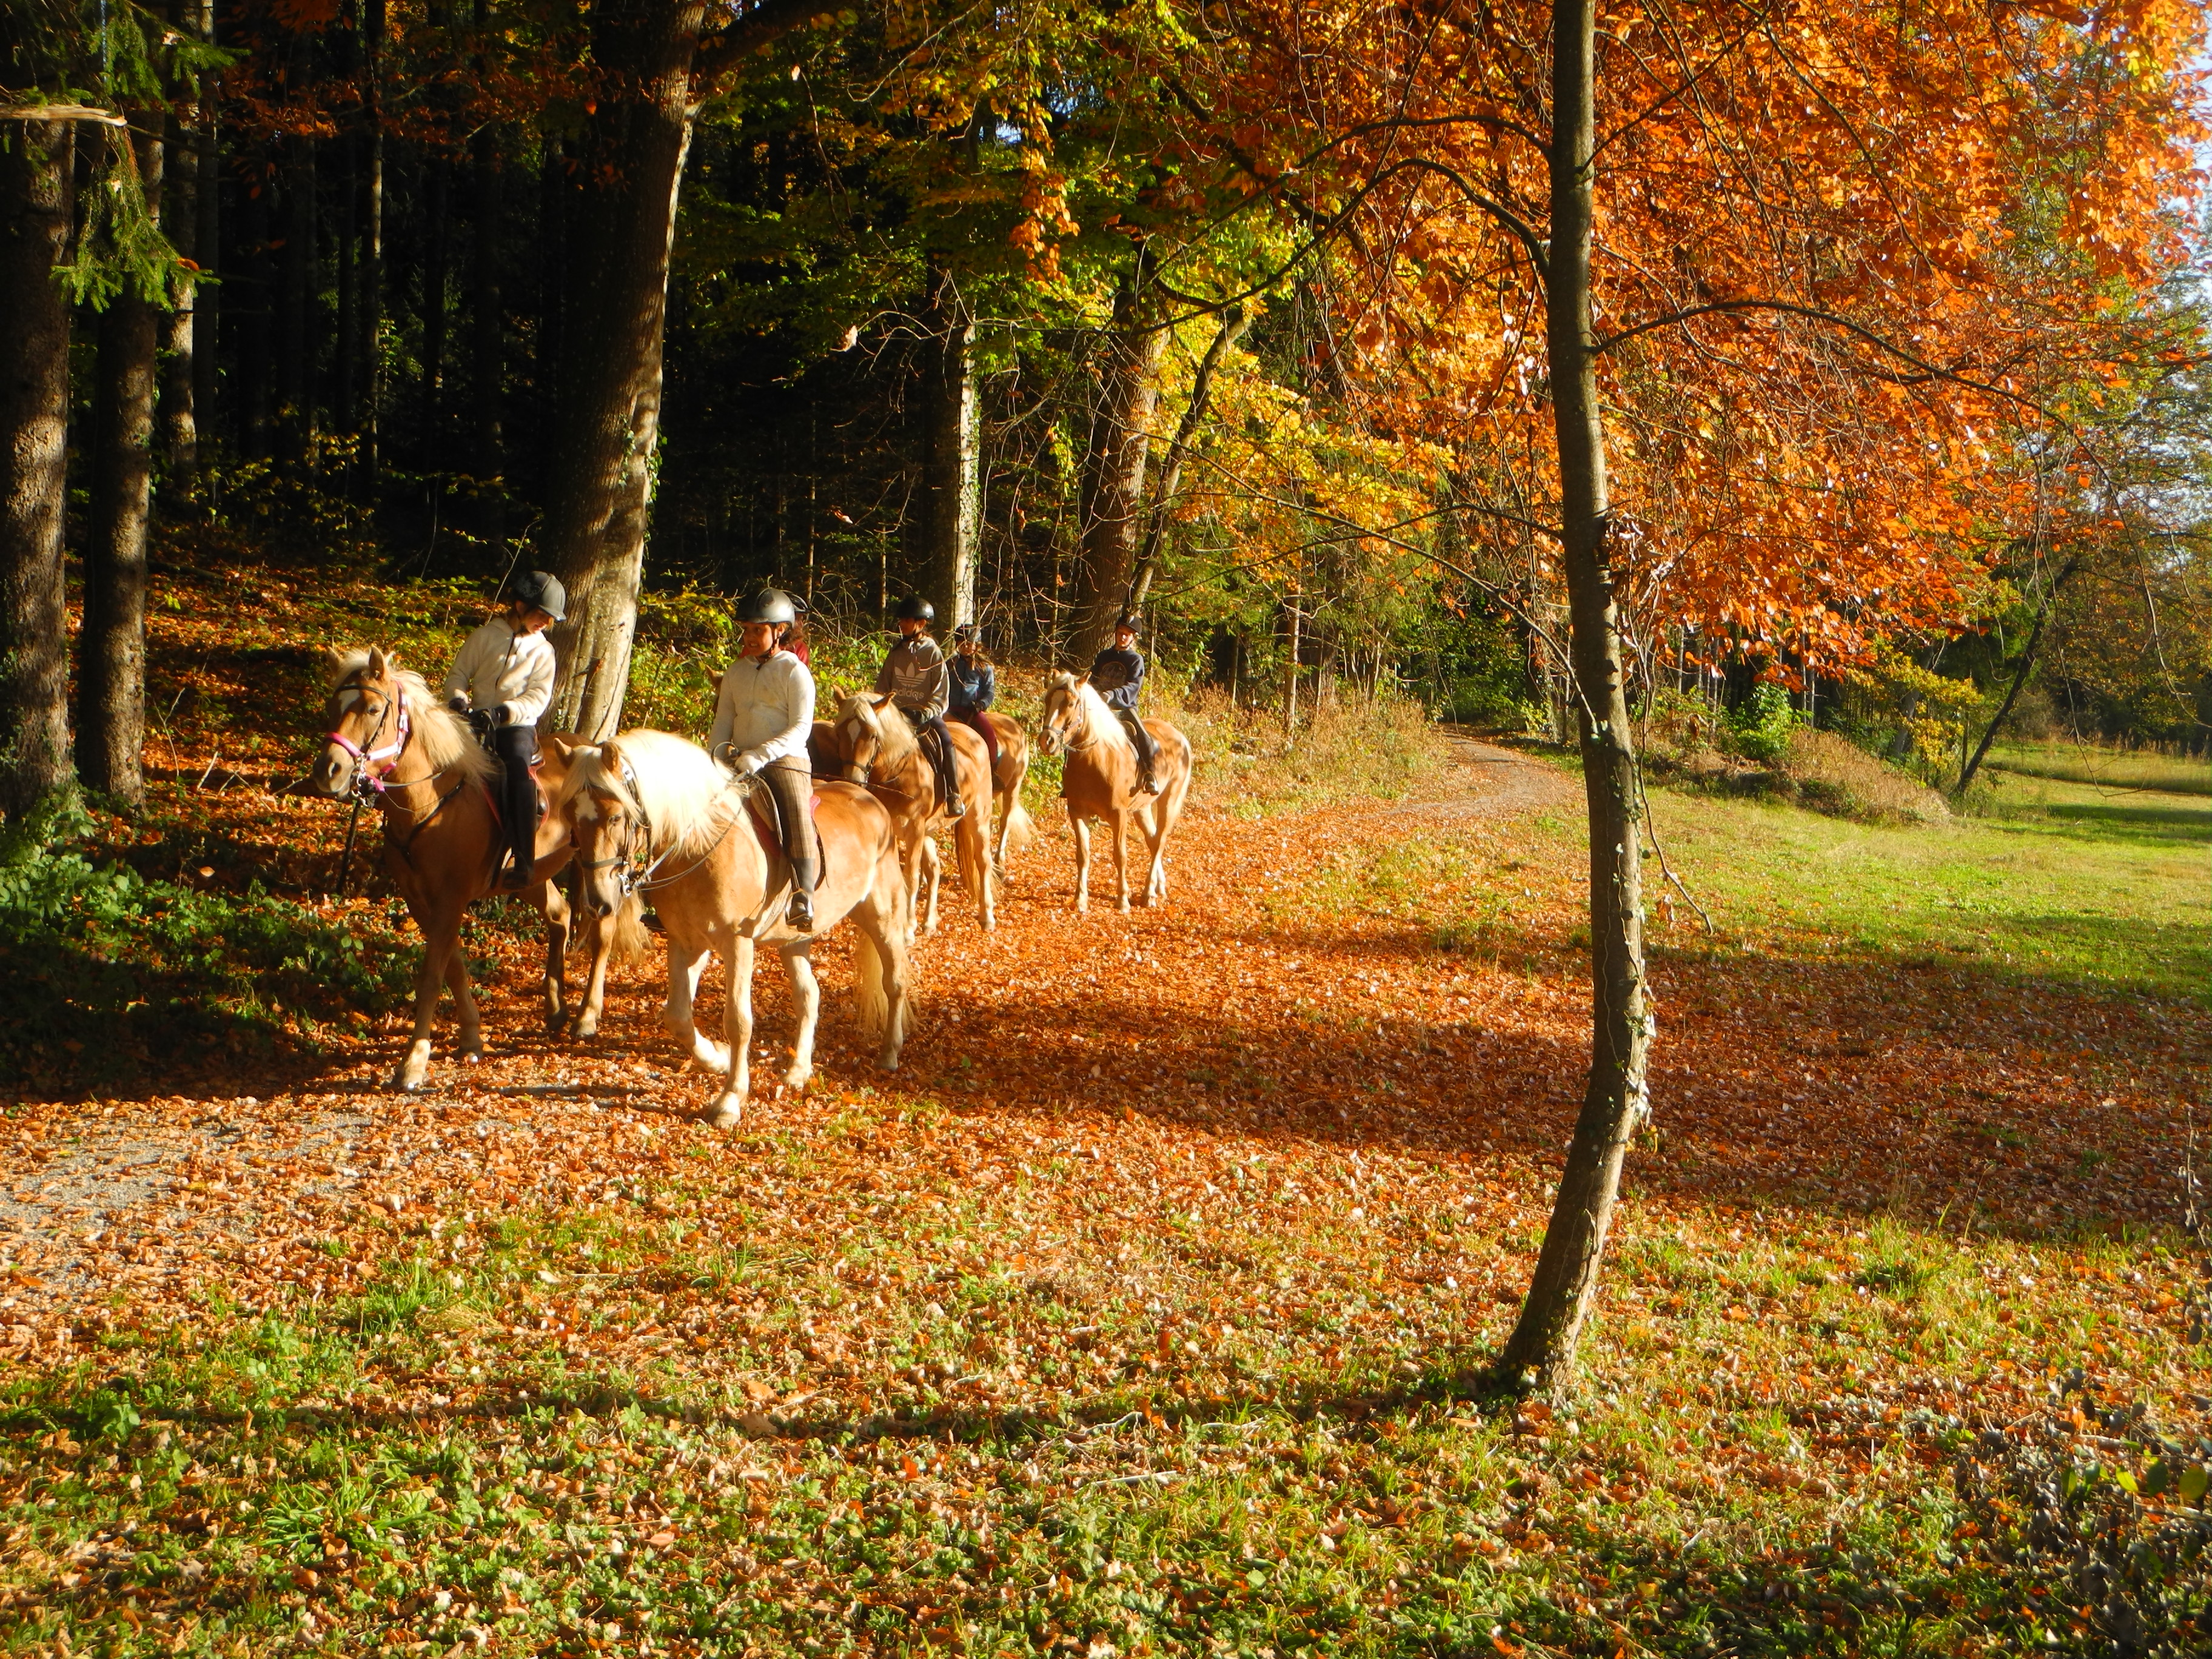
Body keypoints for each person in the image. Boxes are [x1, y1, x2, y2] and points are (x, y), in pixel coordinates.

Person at [442, 570, 563, 888]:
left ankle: (524, 859)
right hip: (473, 721)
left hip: (515, 727)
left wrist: (503, 712)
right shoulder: (484, 637)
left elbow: (537, 698)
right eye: (542, 615)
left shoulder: (543, 652)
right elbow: (458, 675)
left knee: (520, 773)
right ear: (520, 605)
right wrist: (457, 701)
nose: (546, 624)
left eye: (550, 619)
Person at [709, 588, 818, 930]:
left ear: (779, 631)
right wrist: (716, 755)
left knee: (794, 810)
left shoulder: (794, 672)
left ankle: (803, 894)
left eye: (758, 630)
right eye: (747, 630)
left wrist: (761, 755)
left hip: (785, 761)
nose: (750, 637)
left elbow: (801, 728)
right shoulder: (735, 673)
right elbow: (723, 722)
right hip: (738, 760)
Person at [875, 595, 964, 819]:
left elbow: (941, 692)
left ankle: (953, 794)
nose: (901, 624)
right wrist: (882, 708)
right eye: (901, 620)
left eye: (906, 620)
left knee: (946, 740)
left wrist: (926, 711)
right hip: (895, 716)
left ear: (921, 624)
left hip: (924, 715)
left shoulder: (933, 653)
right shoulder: (896, 653)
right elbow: (882, 685)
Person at [1089, 611, 1159, 794]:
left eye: (1127, 634)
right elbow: (1093, 679)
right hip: (1099, 707)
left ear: (1133, 638)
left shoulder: (1135, 660)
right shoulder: (1103, 656)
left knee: (1143, 735)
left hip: (1124, 707)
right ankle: (1070, 777)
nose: (1122, 637)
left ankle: (1149, 774)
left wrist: (1112, 695)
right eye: (1120, 633)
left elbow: (1133, 687)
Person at [946, 622, 999, 782]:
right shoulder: (950, 664)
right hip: (950, 709)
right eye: (963, 644)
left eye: (970, 644)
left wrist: (981, 704)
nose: (967, 647)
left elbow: (989, 691)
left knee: (990, 736)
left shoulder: (984, 667)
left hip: (972, 711)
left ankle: (993, 771)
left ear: (977, 646)